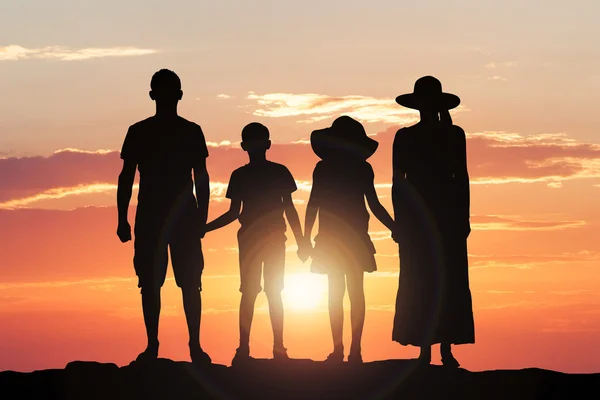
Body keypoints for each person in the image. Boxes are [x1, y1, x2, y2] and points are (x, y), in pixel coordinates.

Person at [116, 69, 211, 365]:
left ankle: (191, 346)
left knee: (187, 282)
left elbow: (202, 177)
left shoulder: (189, 131)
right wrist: (122, 218)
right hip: (155, 218)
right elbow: (126, 177)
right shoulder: (141, 131)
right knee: (153, 282)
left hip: (177, 218)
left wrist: (202, 217)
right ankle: (157, 345)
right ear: (155, 95)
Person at [205, 122, 306, 364]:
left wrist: (301, 241)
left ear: (244, 146)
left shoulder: (246, 175)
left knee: (260, 293)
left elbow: (287, 209)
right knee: (261, 293)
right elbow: (287, 209)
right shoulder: (262, 173)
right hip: (260, 239)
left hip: (264, 239)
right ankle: (257, 348)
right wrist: (205, 228)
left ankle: (259, 348)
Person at [391, 76, 474, 368]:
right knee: (424, 279)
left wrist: (464, 217)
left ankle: (443, 348)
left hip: (444, 216)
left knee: (443, 279)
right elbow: (397, 183)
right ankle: (429, 349)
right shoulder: (408, 136)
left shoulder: (452, 135)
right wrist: (400, 221)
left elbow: (461, 177)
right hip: (424, 218)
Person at [303, 116, 398, 364]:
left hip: (341, 237)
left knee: (341, 293)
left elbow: (314, 204)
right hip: (343, 238)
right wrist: (394, 227)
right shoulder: (352, 168)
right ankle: (348, 350)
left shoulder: (330, 168)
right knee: (351, 293)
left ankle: (346, 350)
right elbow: (373, 204)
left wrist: (305, 238)